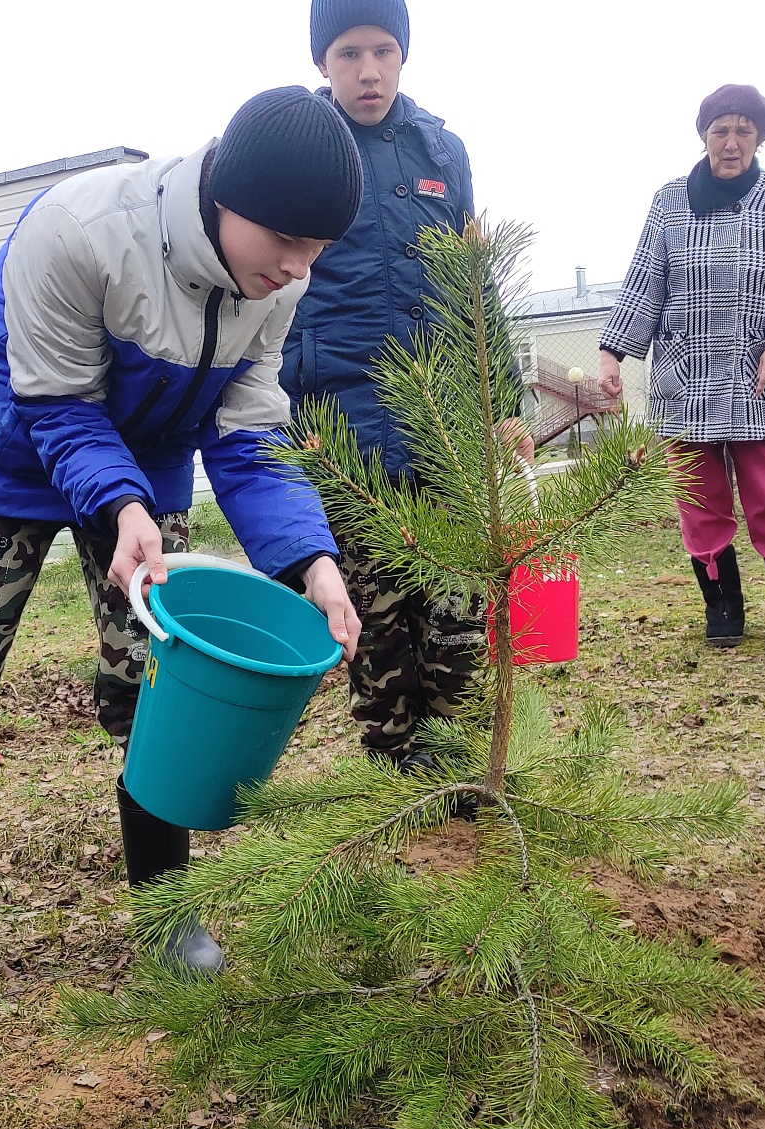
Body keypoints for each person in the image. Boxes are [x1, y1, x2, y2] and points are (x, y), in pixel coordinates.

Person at [0, 87, 367, 999]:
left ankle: (166, 908)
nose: (298, 267)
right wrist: (119, 507)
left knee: (152, 671)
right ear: (224, 197)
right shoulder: (80, 228)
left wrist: (312, 562)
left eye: (317, 249)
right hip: (7, 438)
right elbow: (58, 402)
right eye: (285, 241)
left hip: (147, 444)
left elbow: (248, 435)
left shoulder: (283, 278)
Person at [285, 0, 526, 767]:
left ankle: (462, 769)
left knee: (458, 609)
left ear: (404, 55)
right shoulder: (301, 146)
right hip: (344, 420)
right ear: (323, 62)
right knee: (375, 619)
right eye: (349, 52)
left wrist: (502, 404)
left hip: (445, 425)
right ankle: (397, 774)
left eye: (384, 50)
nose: (369, 70)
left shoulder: (439, 151)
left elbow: (474, 282)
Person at [599, 85, 765, 651]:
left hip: (762, 378)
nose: (731, 143)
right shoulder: (669, 201)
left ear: (759, 138)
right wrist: (612, 350)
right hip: (685, 382)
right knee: (700, 503)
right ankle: (722, 607)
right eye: (720, 131)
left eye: (743, 131)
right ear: (704, 136)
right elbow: (644, 282)